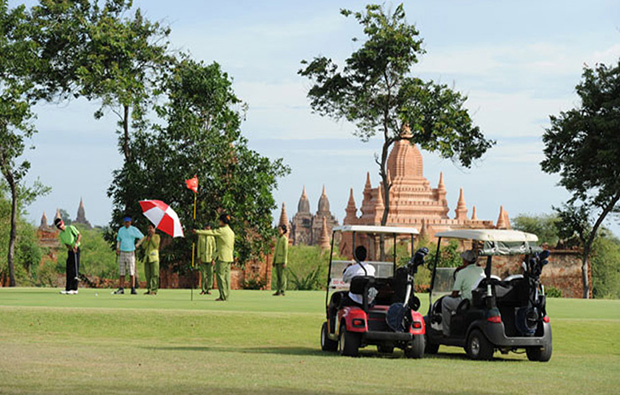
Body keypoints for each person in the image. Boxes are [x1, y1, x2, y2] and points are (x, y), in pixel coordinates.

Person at [441, 249, 485, 336]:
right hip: (477, 300)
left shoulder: (461, 273)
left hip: (466, 303)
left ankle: (446, 332)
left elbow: (455, 294)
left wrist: (451, 296)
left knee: (445, 301)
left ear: (465, 261)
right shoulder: (481, 270)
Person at [193, 213, 235, 301]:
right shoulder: (231, 231)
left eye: (220, 220)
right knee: (227, 277)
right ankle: (226, 295)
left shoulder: (222, 230)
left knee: (220, 277)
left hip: (222, 257)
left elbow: (211, 232)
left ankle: (222, 296)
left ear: (223, 221)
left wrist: (197, 231)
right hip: (229, 257)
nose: (219, 222)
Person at [114, 216, 144, 295]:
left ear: (130, 222)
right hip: (122, 252)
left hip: (131, 252)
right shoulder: (121, 230)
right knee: (122, 271)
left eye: (128, 222)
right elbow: (118, 240)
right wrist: (117, 248)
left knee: (131, 271)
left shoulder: (134, 229)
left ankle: (133, 288)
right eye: (125, 222)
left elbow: (142, 237)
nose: (127, 223)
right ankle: (121, 288)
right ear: (124, 223)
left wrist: (137, 245)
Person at [54, 218, 82, 295]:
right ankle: (68, 288)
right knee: (68, 269)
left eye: (60, 224)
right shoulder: (61, 234)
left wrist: (76, 244)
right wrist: (70, 248)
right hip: (70, 251)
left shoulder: (70, 228)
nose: (60, 227)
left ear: (63, 222)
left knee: (74, 269)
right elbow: (66, 244)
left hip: (76, 249)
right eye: (58, 226)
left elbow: (79, 235)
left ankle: (74, 289)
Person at [140, 223, 160, 295]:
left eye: (151, 228)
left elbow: (156, 245)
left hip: (154, 258)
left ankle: (154, 290)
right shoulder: (146, 237)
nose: (150, 230)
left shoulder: (157, 237)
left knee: (154, 274)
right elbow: (144, 246)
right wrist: (147, 240)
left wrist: (151, 238)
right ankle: (149, 289)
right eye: (149, 228)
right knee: (147, 275)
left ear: (154, 229)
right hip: (147, 258)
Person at [197, 223, 216, 295]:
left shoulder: (212, 237)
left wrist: (214, 258)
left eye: (209, 228)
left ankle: (209, 289)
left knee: (210, 274)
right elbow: (198, 247)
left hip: (210, 258)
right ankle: (203, 289)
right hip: (203, 258)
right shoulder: (201, 237)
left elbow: (214, 248)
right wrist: (199, 257)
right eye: (206, 228)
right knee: (203, 275)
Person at [272, 224, 288, 296]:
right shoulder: (278, 238)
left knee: (282, 277)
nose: (279, 231)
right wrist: (274, 260)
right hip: (277, 260)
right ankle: (278, 290)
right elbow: (275, 250)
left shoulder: (284, 239)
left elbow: (285, 251)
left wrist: (285, 261)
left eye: (280, 229)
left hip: (282, 260)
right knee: (278, 276)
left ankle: (282, 290)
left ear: (283, 231)